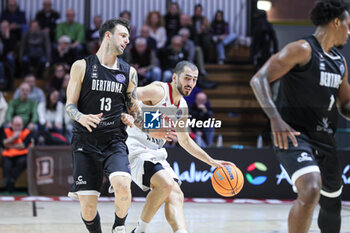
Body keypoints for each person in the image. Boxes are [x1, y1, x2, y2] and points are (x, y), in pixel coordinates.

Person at [249, 1, 350, 232]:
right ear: (336, 22)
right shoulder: (303, 49)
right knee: (311, 188)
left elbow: (345, 105)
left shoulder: (339, 62)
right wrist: (275, 118)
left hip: (325, 139)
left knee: (332, 203)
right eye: (348, 25)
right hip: (294, 135)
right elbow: (259, 79)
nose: (349, 31)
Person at [124, 61, 234, 233]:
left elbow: (185, 141)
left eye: (194, 80)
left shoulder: (181, 107)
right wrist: (147, 127)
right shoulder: (159, 91)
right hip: (135, 148)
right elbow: (126, 96)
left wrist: (212, 161)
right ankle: (140, 231)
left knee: (176, 194)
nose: (190, 83)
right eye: (187, 78)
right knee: (166, 184)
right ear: (175, 77)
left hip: (156, 153)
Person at [65, 18, 152, 233]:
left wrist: (133, 118)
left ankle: (119, 228)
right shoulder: (81, 66)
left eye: (128, 38)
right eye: (123, 36)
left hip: (114, 140)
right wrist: (81, 117)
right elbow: (69, 106)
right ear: (108, 35)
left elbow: (135, 110)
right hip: (85, 142)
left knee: (123, 184)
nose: (127, 41)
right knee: (88, 208)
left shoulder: (128, 72)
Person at [0, 115, 32, 193]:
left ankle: (12, 179)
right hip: (8, 155)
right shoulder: (6, 130)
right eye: (15, 125)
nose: (17, 127)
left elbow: (23, 146)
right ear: (11, 124)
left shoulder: (26, 132)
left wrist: (9, 145)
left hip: (21, 155)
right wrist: (13, 138)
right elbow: (3, 143)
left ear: (23, 125)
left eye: (19, 125)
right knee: (6, 164)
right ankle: (7, 184)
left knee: (22, 162)